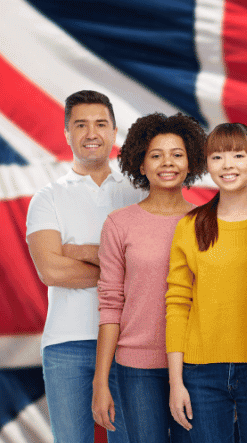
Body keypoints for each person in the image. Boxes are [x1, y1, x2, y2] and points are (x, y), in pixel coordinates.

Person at [26, 90, 142, 443]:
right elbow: (52, 272)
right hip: (66, 343)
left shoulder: (138, 193)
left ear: (114, 131)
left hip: (129, 341)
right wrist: (120, 270)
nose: (92, 133)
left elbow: (151, 269)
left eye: (100, 124)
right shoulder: (47, 198)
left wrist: (78, 251)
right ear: (66, 133)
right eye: (81, 125)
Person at [92, 112, 206, 443]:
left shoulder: (206, 222)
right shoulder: (119, 224)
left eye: (177, 154)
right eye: (155, 155)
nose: (166, 163)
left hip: (196, 364)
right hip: (137, 368)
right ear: (141, 165)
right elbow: (111, 304)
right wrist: (101, 381)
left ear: (190, 163)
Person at [166, 123, 247, 442]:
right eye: (218, 156)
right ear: (207, 164)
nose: (228, 165)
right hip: (201, 370)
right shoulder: (190, 226)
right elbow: (177, 304)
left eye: (238, 155)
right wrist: (175, 382)